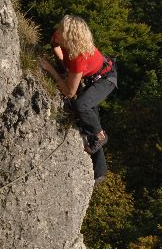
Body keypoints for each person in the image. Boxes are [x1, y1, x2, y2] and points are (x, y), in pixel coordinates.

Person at [39, 15, 116, 182]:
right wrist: (63, 67)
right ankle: (99, 172)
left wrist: (51, 70)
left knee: (82, 106)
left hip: (105, 80)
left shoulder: (78, 57)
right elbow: (55, 46)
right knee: (87, 119)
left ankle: (100, 135)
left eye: (61, 30)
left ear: (70, 36)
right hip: (91, 77)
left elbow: (69, 92)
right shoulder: (59, 36)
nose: (57, 31)